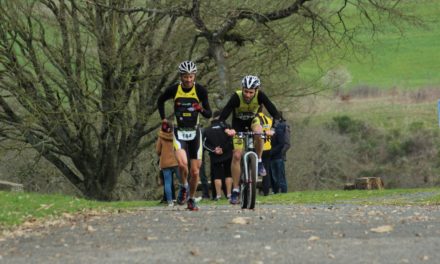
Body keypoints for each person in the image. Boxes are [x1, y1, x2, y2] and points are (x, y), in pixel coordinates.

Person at [157, 60, 212, 211]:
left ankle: (191, 199)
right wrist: (163, 118)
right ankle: (183, 186)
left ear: (194, 76)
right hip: (179, 131)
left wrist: (200, 109)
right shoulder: (174, 89)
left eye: (191, 76)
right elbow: (160, 100)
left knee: (195, 171)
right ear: (181, 76)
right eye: (185, 76)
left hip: (195, 132)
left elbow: (209, 114)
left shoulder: (200, 91)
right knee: (182, 164)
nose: (188, 79)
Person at [219, 75, 280, 204]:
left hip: (253, 121)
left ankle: (259, 160)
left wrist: (272, 129)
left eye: (251, 92)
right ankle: (235, 190)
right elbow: (222, 118)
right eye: (245, 91)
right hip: (238, 125)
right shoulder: (236, 97)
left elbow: (276, 114)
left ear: (256, 91)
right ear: (242, 89)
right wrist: (227, 129)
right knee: (236, 155)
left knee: (258, 132)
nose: (247, 95)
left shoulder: (260, 95)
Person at [203, 110, 233, 201]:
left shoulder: (207, 129)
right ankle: (229, 195)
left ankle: (218, 196)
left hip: (215, 155)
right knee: (228, 174)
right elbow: (231, 140)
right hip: (227, 153)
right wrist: (223, 149)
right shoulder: (227, 127)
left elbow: (204, 144)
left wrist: (214, 150)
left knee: (217, 176)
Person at [155, 122, 180, 206]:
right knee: (182, 181)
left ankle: (170, 202)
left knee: (167, 182)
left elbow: (158, 151)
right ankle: (183, 198)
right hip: (176, 161)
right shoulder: (176, 135)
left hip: (165, 163)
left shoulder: (161, 137)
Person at [270, 112, 290, 193]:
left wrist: (279, 153)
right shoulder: (272, 127)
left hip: (279, 156)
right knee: (274, 176)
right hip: (272, 156)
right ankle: (276, 191)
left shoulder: (283, 127)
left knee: (280, 176)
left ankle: (283, 191)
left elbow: (286, 143)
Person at [255, 108, 273, 196]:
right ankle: (266, 191)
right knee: (266, 171)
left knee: (253, 168)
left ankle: (251, 191)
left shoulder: (255, 119)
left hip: (258, 148)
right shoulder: (268, 119)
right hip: (268, 147)